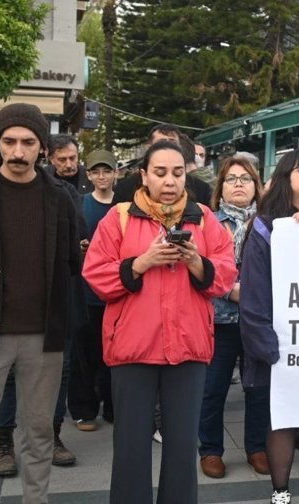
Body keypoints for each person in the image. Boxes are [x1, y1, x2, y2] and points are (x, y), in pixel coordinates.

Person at [83, 140, 236, 504]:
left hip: (189, 350)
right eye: (161, 172)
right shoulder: (118, 217)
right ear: (144, 175)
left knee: (183, 449)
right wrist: (142, 261)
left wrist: (196, 261)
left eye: (178, 173)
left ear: (187, 175)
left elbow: (225, 275)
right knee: (131, 449)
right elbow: (96, 275)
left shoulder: (204, 218)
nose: (170, 181)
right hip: (132, 349)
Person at [0, 103, 80, 504]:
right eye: (9, 141)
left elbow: (72, 263)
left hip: (44, 336)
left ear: (42, 147)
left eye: (27, 142)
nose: (17, 151)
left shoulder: (61, 196)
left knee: (39, 434)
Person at [240, 149, 299, 504]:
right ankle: (280, 492)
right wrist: (265, 344)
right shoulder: (265, 225)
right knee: (281, 419)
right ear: (285, 176)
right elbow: (254, 290)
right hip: (277, 343)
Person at [198, 155, 270, 478]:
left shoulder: (268, 222)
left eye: (245, 178)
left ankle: (257, 447)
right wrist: (230, 289)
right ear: (221, 188)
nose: (238, 184)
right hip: (219, 318)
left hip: (257, 318)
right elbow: (200, 265)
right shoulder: (207, 222)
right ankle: (210, 449)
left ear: (256, 186)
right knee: (213, 388)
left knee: (258, 388)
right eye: (231, 179)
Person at [68, 150, 119, 432]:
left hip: (116, 293)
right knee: (84, 355)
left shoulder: (123, 207)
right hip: (86, 292)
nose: (102, 176)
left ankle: (113, 407)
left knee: (114, 355)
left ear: (115, 174)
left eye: (107, 171)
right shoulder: (80, 203)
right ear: (89, 175)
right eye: (96, 172)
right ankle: (84, 410)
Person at [113, 124, 212, 205]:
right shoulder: (125, 190)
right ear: (149, 147)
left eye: (172, 143)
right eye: (160, 173)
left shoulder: (201, 190)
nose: (169, 182)